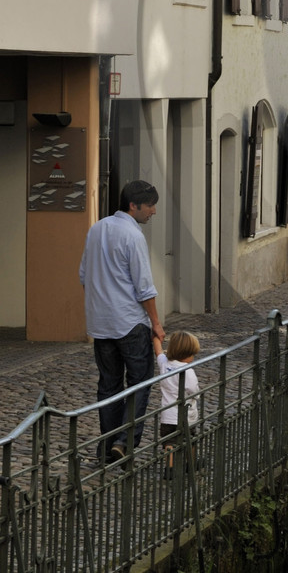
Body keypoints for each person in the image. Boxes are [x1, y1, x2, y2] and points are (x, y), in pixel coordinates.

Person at [80, 180, 165, 464]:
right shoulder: (133, 235)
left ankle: (107, 448)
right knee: (140, 382)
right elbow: (144, 287)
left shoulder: (96, 229)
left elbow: (83, 275)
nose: (153, 211)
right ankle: (124, 442)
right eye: (150, 205)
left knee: (109, 385)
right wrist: (156, 323)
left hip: (100, 323)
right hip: (130, 322)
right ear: (133, 205)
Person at [153, 330, 202, 476]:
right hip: (185, 416)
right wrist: (197, 396)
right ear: (187, 354)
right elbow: (193, 389)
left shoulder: (165, 364)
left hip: (168, 416)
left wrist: (155, 337)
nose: (193, 358)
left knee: (169, 443)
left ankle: (170, 468)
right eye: (192, 355)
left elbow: (158, 352)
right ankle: (191, 463)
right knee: (190, 439)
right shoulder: (188, 371)